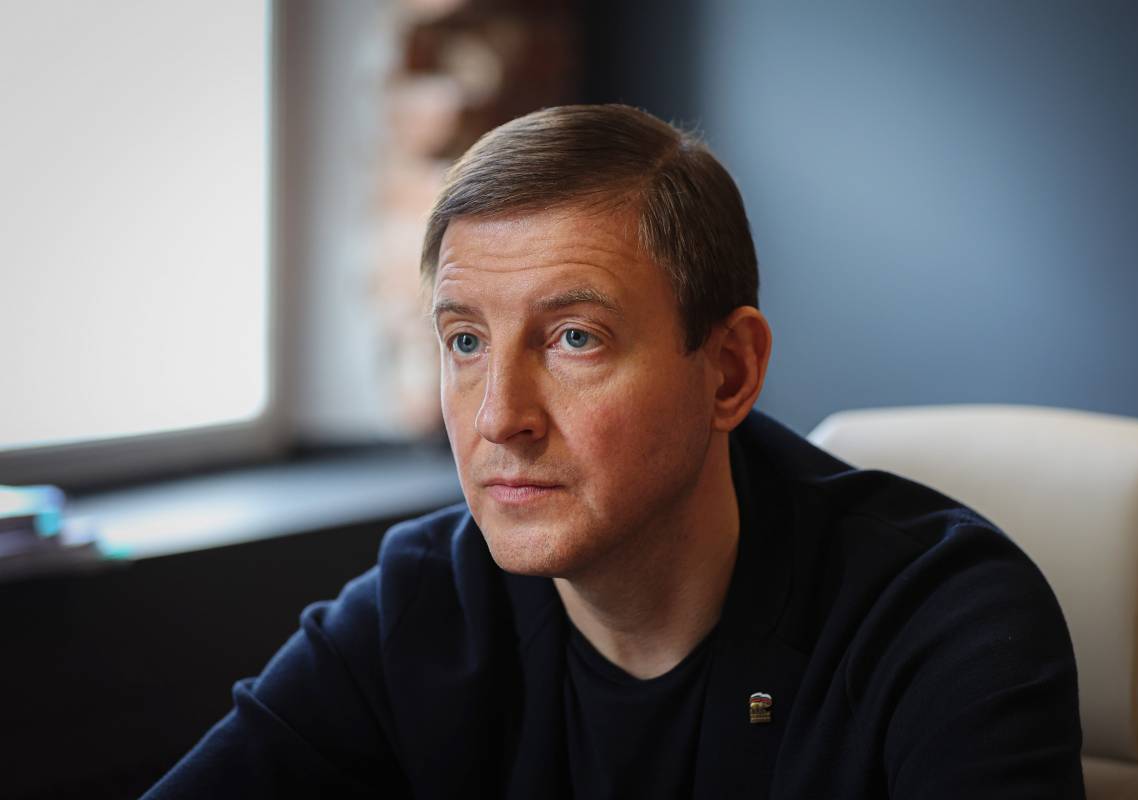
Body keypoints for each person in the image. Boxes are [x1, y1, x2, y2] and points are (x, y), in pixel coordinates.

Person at [144, 104, 1085, 798]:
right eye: (465, 341)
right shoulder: (426, 604)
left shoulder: (941, 623)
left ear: (728, 372)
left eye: (574, 339)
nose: (498, 418)